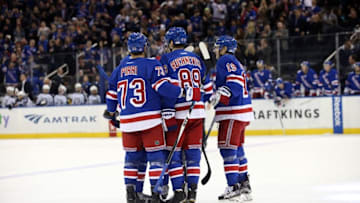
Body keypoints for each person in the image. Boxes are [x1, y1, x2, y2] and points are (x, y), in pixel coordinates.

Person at [104, 32, 199, 203]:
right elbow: (163, 87)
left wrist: (111, 112)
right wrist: (183, 92)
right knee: (156, 158)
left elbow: (111, 95)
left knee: (131, 160)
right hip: (150, 121)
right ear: (145, 47)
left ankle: (132, 194)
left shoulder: (119, 68)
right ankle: (156, 195)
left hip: (127, 123)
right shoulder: (152, 65)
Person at [159, 27, 211, 203]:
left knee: (173, 155)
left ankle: (180, 192)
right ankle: (193, 194)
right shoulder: (196, 58)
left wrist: (167, 114)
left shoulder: (166, 58)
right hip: (198, 111)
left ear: (172, 43)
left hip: (179, 112)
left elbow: (165, 87)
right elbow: (205, 84)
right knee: (193, 155)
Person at [210, 35, 253, 201]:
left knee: (227, 150)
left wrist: (220, 94)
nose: (215, 50)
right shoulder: (234, 61)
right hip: (241, 112)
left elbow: (234, 83)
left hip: (233, 113)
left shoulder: (225, 59)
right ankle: (244, 185)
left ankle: (234, 186)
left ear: (224, 48)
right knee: (237, 148)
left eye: (217, 47)